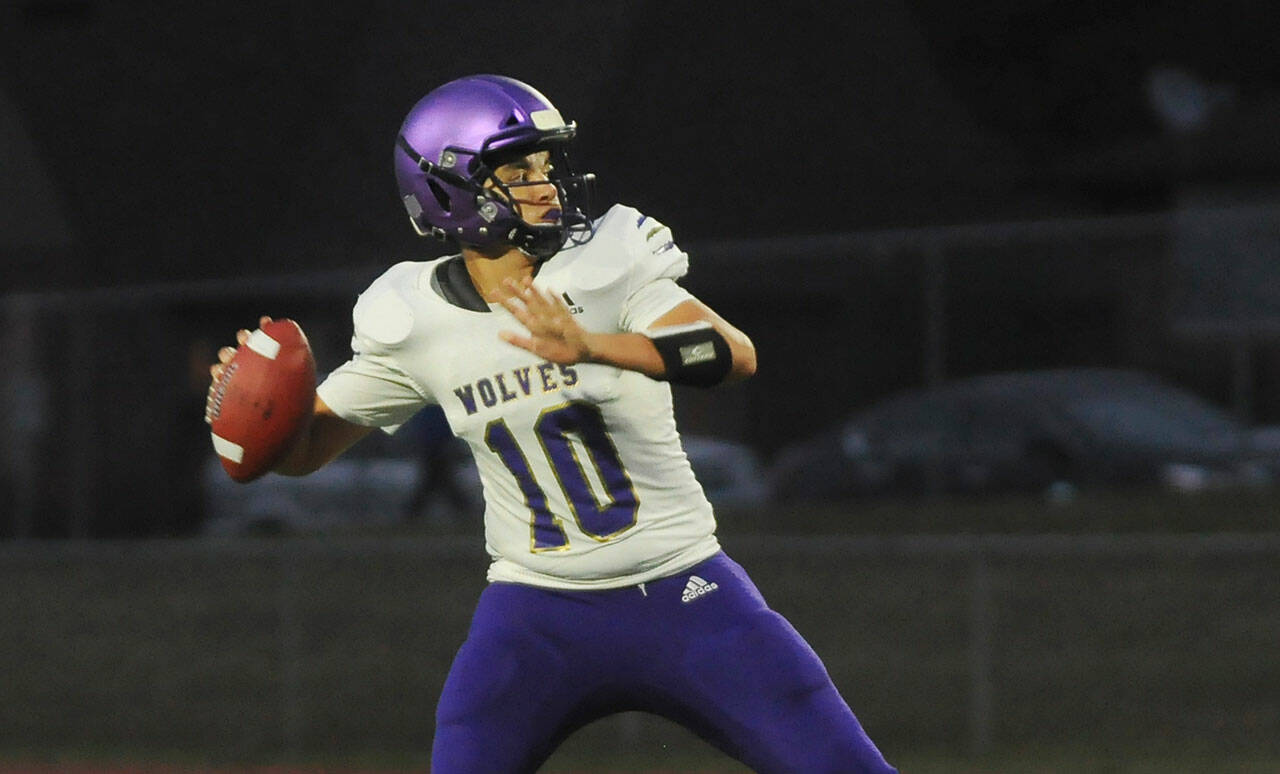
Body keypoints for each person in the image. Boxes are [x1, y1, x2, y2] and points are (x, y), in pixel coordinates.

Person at [209, 74, 896, 773]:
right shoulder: (412, 318)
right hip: (536, 616)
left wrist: (594, 346)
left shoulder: (608, 262)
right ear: (449, 188)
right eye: (517, 171)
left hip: (689, 593)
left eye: (545, 166)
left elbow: (726, 352)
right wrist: (253, 409)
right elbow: (302, 454)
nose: (546, 186)